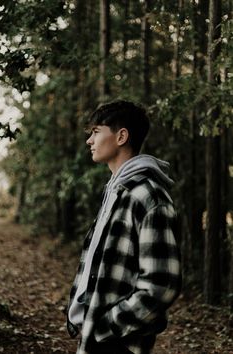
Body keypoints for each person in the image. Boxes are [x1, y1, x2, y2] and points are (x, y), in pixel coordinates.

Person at [67, 100, 182, 354]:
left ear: (121, 136)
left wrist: (106, 327)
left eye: (96, 131)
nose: (89, 140)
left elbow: (161, 284)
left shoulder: (149, 197)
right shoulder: (116, 190)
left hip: (119, 343)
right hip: (95, 337)